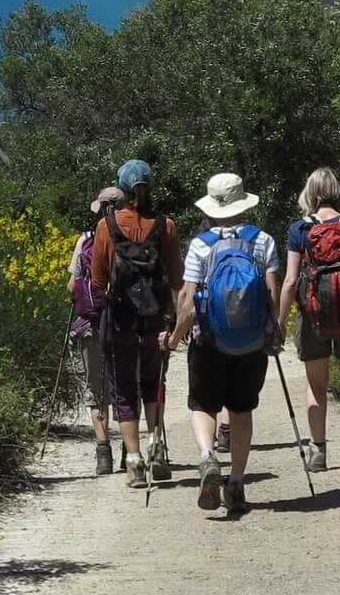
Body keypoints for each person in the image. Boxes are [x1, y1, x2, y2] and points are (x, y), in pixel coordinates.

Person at [171, 171, 281, 516]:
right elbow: (273, 292)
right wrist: (274, 331)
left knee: (203, 406)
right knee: (241, 410)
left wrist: (175, 336)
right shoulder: (262, 241)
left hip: (209, 340)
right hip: (251, 342)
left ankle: (207, 459)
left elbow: (188, 299)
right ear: (242, 203)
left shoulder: (201, 245)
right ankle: (235, 483)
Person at [86, 160, 179, 488]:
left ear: (122, 191)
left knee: (123, 388)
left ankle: (135, 461)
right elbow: (177, 278)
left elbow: (97, 281)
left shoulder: (105, 227)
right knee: (153, 382)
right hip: (154, 318)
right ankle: (157, 449)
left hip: (120, 317)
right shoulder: (166, 226)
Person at [279, 166, 340, 470]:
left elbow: (291, 281)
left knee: (315, 385)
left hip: (313, 315)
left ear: (310, 193)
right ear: (337, 191)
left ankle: (318, 451)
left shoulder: (300, 229)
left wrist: (279, 322)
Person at [66, 185, 124, 475]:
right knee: (127, 385)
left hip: (91, 326)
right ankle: (131, 451)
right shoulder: (135, 236)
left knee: (96, 387)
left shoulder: (86, 240)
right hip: (126, 324)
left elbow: (72, 285)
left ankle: (104, 453)